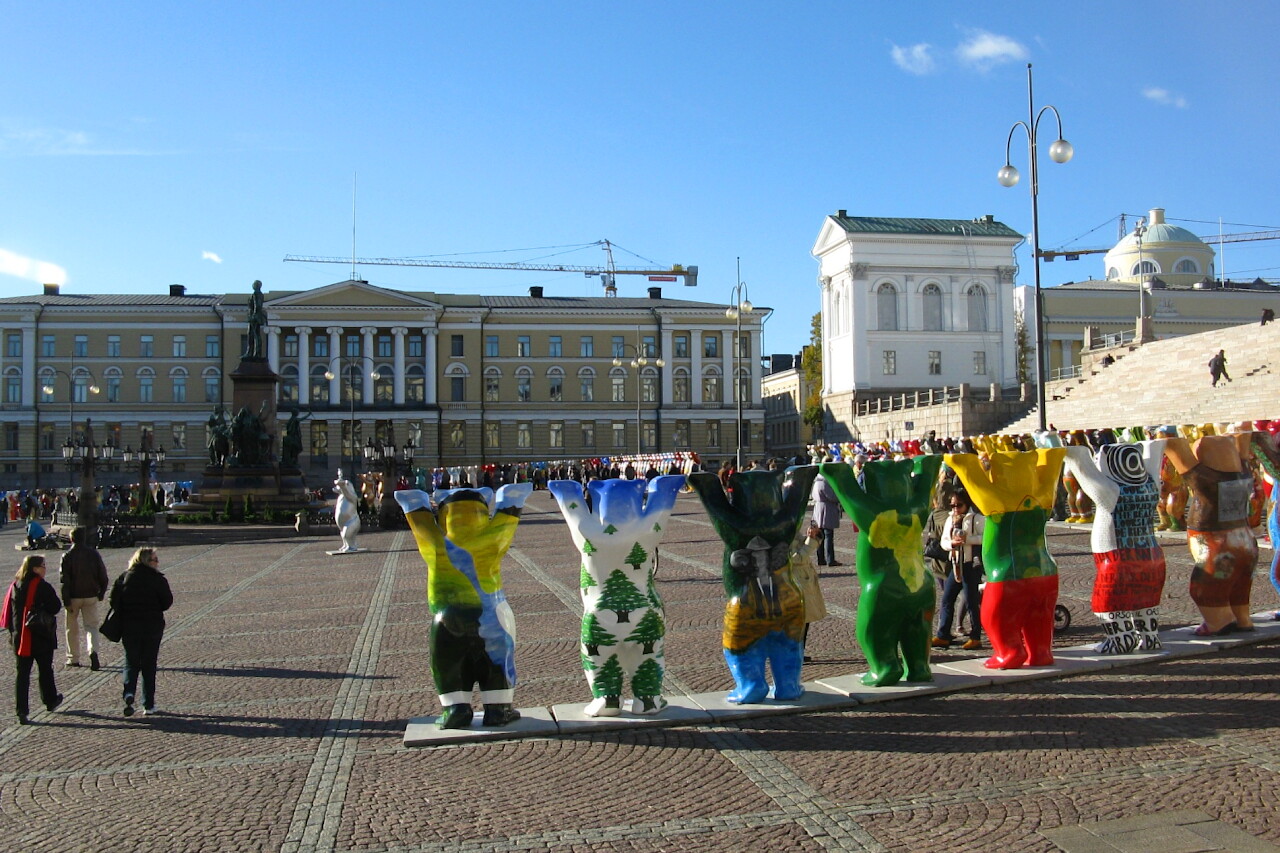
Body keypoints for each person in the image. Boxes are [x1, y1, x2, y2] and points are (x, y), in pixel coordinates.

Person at [109, 547, 173, 717]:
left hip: (130, 626)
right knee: (149, 664)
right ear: (146, 561)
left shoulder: (124, 577)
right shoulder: (157, 579)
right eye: (155, 559)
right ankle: (148, 704)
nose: (157, 562)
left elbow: (113, 600)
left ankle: (129, 692)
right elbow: (167, 602)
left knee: (131, 661)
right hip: (152, 626)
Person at [2, 554, 63, 724]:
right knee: (45, 669)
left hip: (20, 637)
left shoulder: (15, 585)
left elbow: (10, 613)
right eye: (43, 565)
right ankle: (50, 700)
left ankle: (22, 710)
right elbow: (55, 606)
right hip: (40, 635)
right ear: (35, 568)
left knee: (22, 674)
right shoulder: (42, 587)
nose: (45, 568)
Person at [932, 491, 986, 651]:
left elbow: (985, 537)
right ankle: (943, 635)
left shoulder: (976, 518)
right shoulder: (950, 518)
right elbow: (944, 541)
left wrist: (967, 540)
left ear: (966, 504)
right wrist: (952, 544)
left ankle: (975, 636)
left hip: (970, 565)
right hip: (955, 564)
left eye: (959, 505)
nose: (955, 509)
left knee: (971, 601)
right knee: (947, 599)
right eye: (953, 505)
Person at [59, 527, 110, 670]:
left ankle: (73, 657)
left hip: (74, 596)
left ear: (71, 539)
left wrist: (66, 600)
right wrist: (101, 593)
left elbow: (64, 580)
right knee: (92, 627)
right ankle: (93, 651)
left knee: (71, 628)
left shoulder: (68, 556)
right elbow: (103, 576)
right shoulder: (94, 554)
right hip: (91, 595)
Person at [810, 473, 842, 566]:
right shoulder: (824, 483)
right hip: (826, 509)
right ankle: (830, 559)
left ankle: (821, 559)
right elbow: (832, 497)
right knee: (828, 535)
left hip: (818, 508)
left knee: (820, 536)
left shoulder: (816, 482)